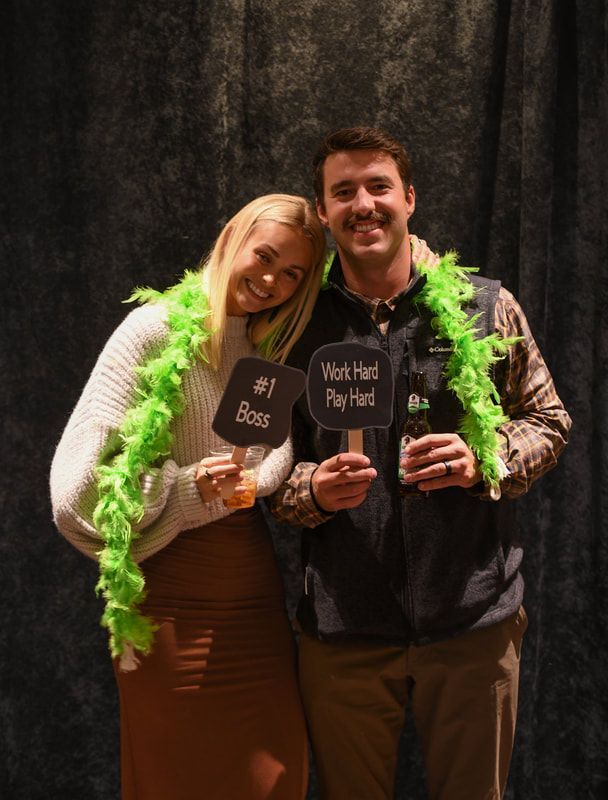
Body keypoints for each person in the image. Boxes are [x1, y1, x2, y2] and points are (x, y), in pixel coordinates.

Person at [271, 127, 572, 800]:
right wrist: (311, 489)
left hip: (473, 625)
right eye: (343, 192)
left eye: (378, 187)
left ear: (408, 198)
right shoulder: (292, 326)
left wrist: (485, 457)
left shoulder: (485, 306)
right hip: (343, 631)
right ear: (322, 212)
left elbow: (549, 422)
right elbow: (263, 470)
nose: (363, 205)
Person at [49, 194, 328, 800]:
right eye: (264, 257)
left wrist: (258, 480)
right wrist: (185, 488)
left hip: (249, 595)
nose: (271, 281)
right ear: (233, 239)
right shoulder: (151, 332)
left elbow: (275, 447)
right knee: (181, 773)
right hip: (170, 594)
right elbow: (78, 492)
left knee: (274, 771)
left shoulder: (266, 344)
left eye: (291, 274)